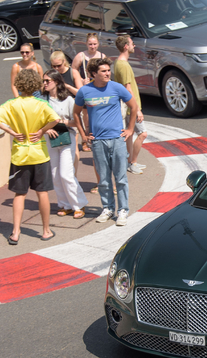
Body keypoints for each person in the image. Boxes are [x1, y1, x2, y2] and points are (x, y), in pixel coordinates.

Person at [0, 69, 60, 245]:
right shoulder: (41, 104)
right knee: (42, 192)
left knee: (19, 194)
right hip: (39, 153)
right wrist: (42, 131)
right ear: (36, 84)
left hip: (20, 154)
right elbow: (56, 119)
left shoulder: (12, 104)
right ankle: (46, 230)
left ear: (19, 84)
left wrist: (12, 132)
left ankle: (15, 232)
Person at [73, 57, 137, 226]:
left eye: (108, 70)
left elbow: (134, 106)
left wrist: (130, 129)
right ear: (93, 73)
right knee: (103, 179)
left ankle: (123, 210)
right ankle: (108, 208)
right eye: (103, 71)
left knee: (121, 178)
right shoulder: (84, 91)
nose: (108, 73)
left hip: (117, 139)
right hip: (98, 142)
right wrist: (83, 134)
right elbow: (75, 113)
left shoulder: (117, 87)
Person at [41, 70, 88, 219]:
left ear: (57, 82)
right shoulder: (43, 100)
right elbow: (39, 120)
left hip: (66, 136)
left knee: (66, 174)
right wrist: (46, 129)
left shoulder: (68, 100)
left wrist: (60, 122)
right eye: (44, 81)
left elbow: (76, 122)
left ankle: (78, 204)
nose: (45, 83)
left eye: (48, 80)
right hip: (51, 138)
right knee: (55, 174)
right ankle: (65, 204)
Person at [114, 35, 147, 175]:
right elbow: (128, 89)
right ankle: (132, 162)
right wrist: (137, 109)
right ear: (126, 46)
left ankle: (130, 162)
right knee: (143, 134)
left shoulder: (118, 63)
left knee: (130, 134)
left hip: (126, 107)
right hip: (130, 107)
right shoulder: (124, 65)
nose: (134, 46)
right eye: (132, 43)